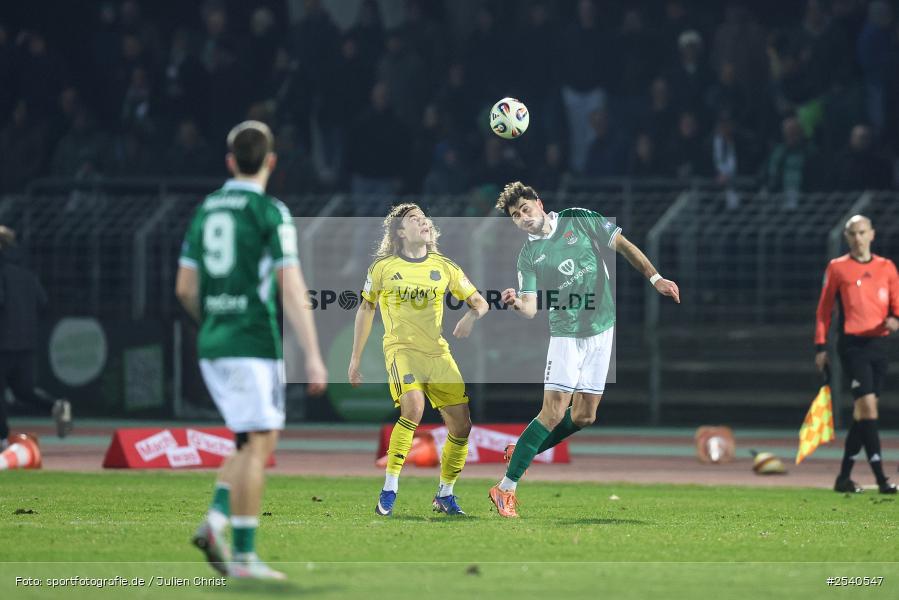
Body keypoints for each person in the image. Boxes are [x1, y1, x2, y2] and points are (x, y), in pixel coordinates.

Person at [176, 120, 328, 579]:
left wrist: (214, 322)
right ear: (271, 162)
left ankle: (215, 522)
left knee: (250, 441)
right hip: (252, 342)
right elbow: (290, 282)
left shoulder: (205, 210)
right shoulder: (269, 211)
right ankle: (242, 556)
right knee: (259, 445)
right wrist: (314, 352)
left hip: (214, 341)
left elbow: (185, 288)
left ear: (229, 161)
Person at [488, 182, 680, 518]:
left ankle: (522, 449)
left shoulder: (579, 218)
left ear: (539, 202)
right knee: (553, 412)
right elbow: (531, 308)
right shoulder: (529, 255)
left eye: (525, 209)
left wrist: (656, 279)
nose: (522, 217)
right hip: (567, 335)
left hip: (603, 330)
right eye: (515, 216)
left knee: (584, 416)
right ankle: (505, 488)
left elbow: (624, 246)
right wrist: (516, 302)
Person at [348, 203, 488, 516]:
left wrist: (471, 316)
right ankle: (390, 487)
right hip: (401, 349)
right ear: (400, 232)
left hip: (437, 353)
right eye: (414, 219)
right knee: (413, 408)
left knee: (462, 425)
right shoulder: (382, 268)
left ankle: (445, 494)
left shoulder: (445, 266)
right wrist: (354, 358)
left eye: (425, 218)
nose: (423, 222)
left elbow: (481, 303)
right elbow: (366, 310)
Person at [814, 215, 898, 495]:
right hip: (852, 346)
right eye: (852, 233)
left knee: (864, 414)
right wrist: (820, 346)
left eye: (862, 232)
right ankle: (882, 478)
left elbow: (896, 307)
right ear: (847, 237)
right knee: (869, 410)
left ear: (872, 234)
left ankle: (843, 477)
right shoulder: (838, 268)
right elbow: (824, 310)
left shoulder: (887, 267)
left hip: (879, 346)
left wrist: (895, 320)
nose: (858, 238)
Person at [0, 225, 71, 449]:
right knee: (24, 391)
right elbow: (42, 303)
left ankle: (1, 439)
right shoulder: (27, 272)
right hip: (26, 343)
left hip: (2, 343)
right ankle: (54, 406)